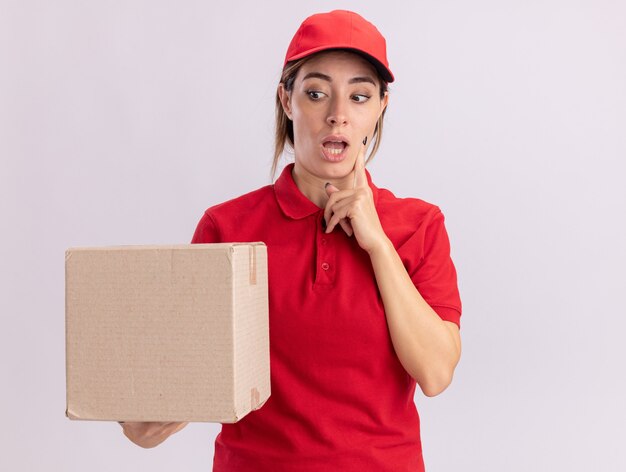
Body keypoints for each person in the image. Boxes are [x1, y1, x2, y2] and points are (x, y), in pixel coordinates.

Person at [120, 10, 462, 471]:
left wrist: (378, 244)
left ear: (381, 107)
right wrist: (148, 417)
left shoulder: (418, 226)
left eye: (359, 96)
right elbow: (185, 377)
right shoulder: (227, 229)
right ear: (286, 100)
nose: (338, 115)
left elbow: (436, 373)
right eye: (317, 93)